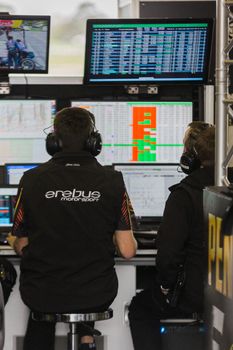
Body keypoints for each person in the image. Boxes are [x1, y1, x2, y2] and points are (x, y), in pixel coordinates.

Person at [10, 107, 137, 350]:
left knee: (44, 300)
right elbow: (128, 250)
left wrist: (18, 242)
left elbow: (21, 242)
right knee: (81, 284)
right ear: (93, 142)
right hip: (97, 294)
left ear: (54, 142)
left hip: (41, 293)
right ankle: (86, 340)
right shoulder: (113, 181)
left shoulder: (31, 179)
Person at [128, 121, 215, 350]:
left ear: (190, 158)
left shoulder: (184, 195)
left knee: (140, 307)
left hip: (195, 296)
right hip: (226, 296)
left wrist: (166, 288)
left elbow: (168, 254)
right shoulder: (226, 188)